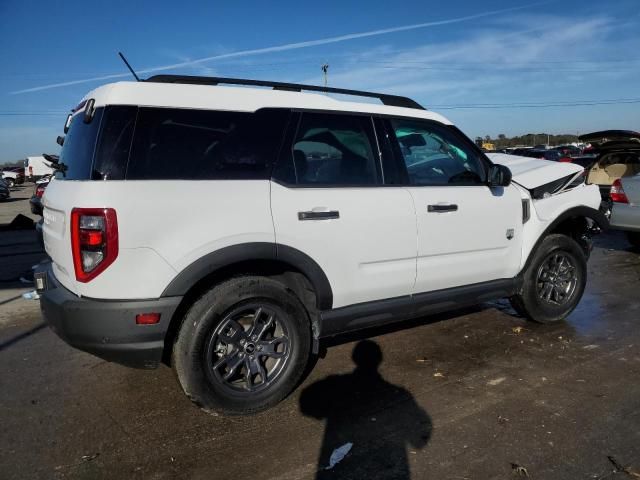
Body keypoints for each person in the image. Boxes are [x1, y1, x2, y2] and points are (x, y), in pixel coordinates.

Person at [300, 340, 432, 479]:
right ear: (379, 360)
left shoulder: (338, 385)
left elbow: (306, 404)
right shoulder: (397, 394)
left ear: (355, 359)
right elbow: (419, 439)